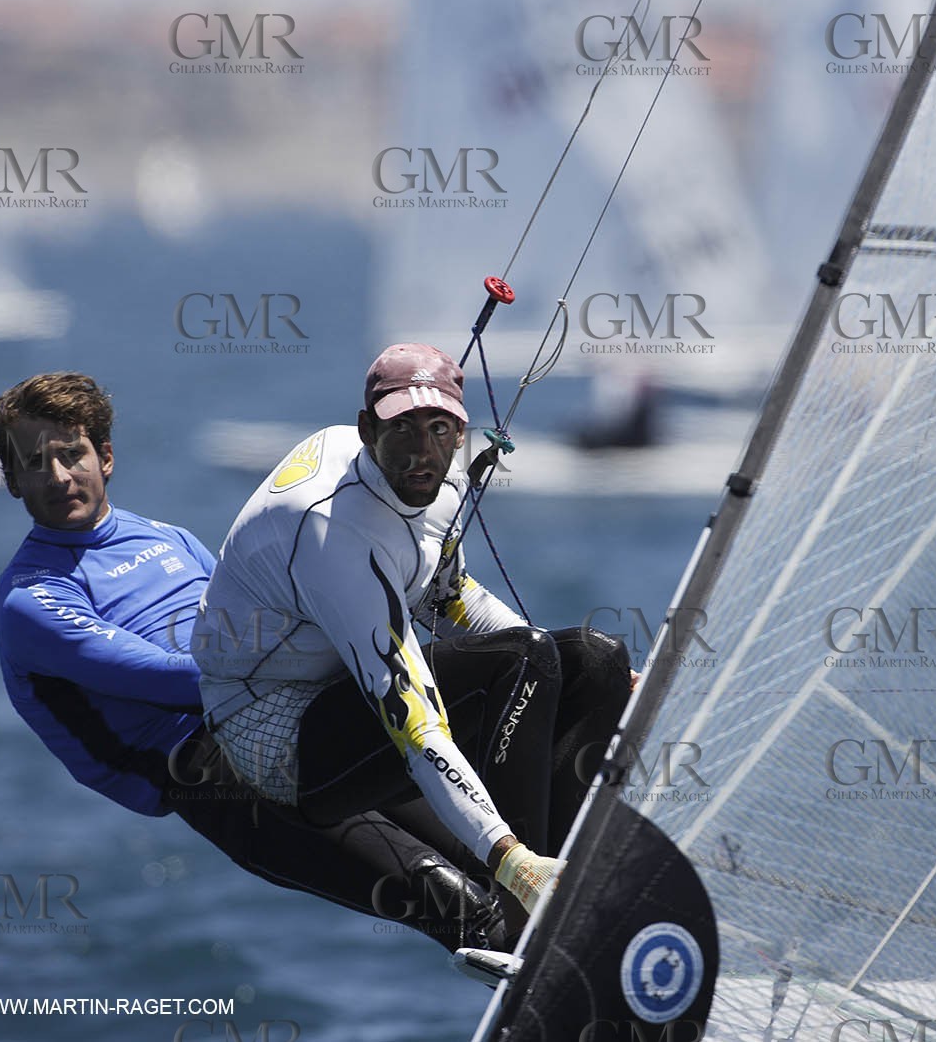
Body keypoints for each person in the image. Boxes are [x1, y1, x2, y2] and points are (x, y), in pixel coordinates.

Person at [0, 371, 507, 953]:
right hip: (210, 771)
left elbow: (265, 612)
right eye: (35, 462)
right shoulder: (29, 600)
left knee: (493, 848)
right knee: (450, 898)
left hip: (301, 710)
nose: (58, 476)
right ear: (13, 481)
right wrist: (342, 642)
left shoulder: (169, 536)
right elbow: (187, 678)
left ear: (104, 457)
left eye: (71, 454)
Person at [194, 344, 633, 927]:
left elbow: (449, 594)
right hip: (275, 733)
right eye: (401, 429)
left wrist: (574, 670)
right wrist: (506, 855)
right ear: (366, 430)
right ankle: (525, 889)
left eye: (439, 429)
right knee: (522, 660)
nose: (421, 452)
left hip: (338, 684)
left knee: (594, 657)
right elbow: (412, 720)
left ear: (460, 433)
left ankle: (566, 864)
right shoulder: (333, 534)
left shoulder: (436, 480)